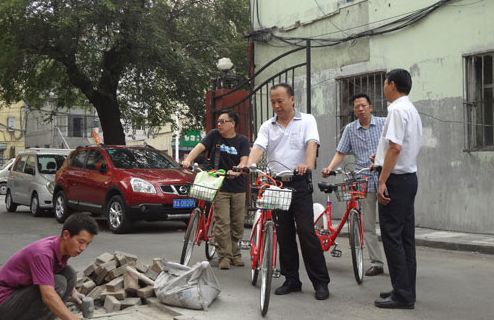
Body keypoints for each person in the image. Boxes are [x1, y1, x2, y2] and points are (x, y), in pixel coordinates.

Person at [246, 83, 330, 300]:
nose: (276, 105)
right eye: (273, 102)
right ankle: (291, 279)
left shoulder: (307, 120)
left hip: (300, 183)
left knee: (306, 232)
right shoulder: (268, 126)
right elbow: (258, 148)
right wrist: (249, 164)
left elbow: (312, 144)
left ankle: (321, 282)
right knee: (283, 234)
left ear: (292, 100)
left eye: (280, 100)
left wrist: (308, 164)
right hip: (276, 184)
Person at [372, 69, 422, 309]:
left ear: (391, 84)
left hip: (396, 180)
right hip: (408, 178)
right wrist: (380, 157)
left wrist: (382, 180)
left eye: (384, 83)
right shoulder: (410, 109)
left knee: (392, 237)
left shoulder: (396, 110)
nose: (383, 87)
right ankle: (404, 289)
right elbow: (395, 147)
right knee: (405, 239)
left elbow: (395, 147)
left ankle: (402, 295)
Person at [322, 93, 386, 277]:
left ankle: (397, 262)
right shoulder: (350, 129)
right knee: (367, 226)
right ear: (353, 109)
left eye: (363, 105)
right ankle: (377, 262)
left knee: (389, 224)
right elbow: (340, 152)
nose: (360, 109)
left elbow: (393, 146)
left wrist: (381, 160)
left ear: (371, 107)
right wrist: (330, 167)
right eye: (357, 106)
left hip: (384, 178)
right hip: (362, 180)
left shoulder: (383, 123)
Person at [182, 109, 250, 270]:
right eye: (218, 121)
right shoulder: (214, 136)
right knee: (223, 223)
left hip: (238, 187)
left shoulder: (242, 141)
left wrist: (239, 170)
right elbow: (198, 148)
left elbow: (244, 159)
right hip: (219, 187)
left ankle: (236, 254)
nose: (219, 124)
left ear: (232, 124)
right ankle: (224, 256)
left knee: (237, 223)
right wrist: (188, 160)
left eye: (223, 121)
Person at [0, 213, 99, 320]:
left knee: (69, 273)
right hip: (5, 302)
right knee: (58, 283)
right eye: (81, 242)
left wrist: (73, 292)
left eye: (87, 244)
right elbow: (48, 296)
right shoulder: (43, 253)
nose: (83, 248)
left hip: (20, 294)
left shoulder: (62, 248)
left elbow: (56, 271)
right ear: (66, 235)